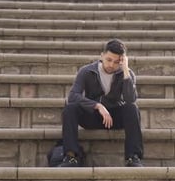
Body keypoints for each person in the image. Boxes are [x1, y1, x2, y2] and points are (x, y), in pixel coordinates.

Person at [59, 39, 144, 167]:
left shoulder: (127, 74)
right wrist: (97, 106)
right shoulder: (87, 71)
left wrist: (125, 70)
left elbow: (130, 99)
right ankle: (71, 157)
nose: (111, 65)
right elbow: (73, 96)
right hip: (92, 116)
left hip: (114, 118)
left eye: (116, 62)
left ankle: (133, 157)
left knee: (132, 108)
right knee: (70, 108)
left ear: (121, 61)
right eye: (109, 60)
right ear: (102, 56)